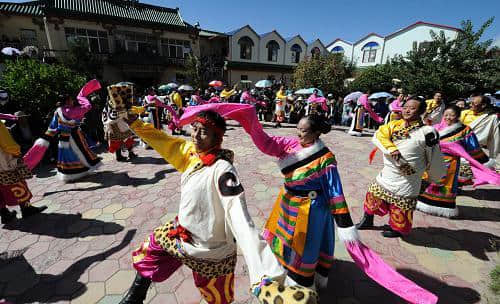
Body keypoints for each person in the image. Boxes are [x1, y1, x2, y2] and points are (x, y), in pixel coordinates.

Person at [196, 103, 439, 303]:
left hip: (311, 210)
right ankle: (279, 268)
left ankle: (301, 282)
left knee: (304, 245)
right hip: (288, 202)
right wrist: (250, 122)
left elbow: (335, 192)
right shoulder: (290, 145)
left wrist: (344, 223)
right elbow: (266, 143)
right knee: (282, 239)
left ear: (315, 134)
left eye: (303, 131)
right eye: (298, 129)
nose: (298, 134)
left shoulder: (326, 158)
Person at [117, 110, 317, 304]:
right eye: (194, 128)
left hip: (211, 250)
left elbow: (241, 220)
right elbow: (162, 140)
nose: (195, 135)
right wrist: (135, 123)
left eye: (203, 132)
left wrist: (265, 276)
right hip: (181, 234)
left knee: (218, 298)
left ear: (217, 138)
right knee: (151, 251)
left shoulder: (223, 170)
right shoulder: (190, 154)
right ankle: (134, 298)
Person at [357, 98, 446, 237]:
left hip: (409, 177)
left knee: (401, 204)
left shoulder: (428, 132)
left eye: (412, 108)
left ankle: (397, 228)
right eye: (405, 107)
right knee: (373, 193)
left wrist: (431, 177)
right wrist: (393, 150)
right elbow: (379, 136)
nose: (407, 110)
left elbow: (434, 157)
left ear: (421, 111)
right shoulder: (393, 125)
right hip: (389, 172)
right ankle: (367, 220)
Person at [417, 105, 498, 217]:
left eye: (452, 115)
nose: (448, 117)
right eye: (446, 115)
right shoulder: (436, 127)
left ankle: (444, 207)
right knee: (430, 181)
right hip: (433, 161)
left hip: (451, 163)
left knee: (446, 184)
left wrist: (483, 161)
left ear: (458, 116)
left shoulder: (464, 130)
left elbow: (473, 148)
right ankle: (424, 203)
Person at [24, 80, 102, 182]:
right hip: (74, 136)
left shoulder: (58, 111)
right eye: (71, 100)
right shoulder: (72, 111)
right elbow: (87, 107)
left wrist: (46, 137)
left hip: (63, 138)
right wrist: (81, 97)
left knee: (68, 156)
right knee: (79, 153)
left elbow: (52, 127)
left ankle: (73, 174)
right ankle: (79, 173)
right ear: (67, 101)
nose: (73, 101)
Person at [460, 94, 499, 169]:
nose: (470, 105)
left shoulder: (491, 118)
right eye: (470, 103)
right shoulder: (464, 113)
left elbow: (495, 137)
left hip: (475, 149)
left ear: (483, 105)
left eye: (473, 103)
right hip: (459, 146)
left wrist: (493, 156)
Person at [103, 83, 138, 162]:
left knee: (118, 140)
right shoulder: (114, 102)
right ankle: (127, 154)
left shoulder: (110, 101)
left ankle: (120, 156)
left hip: (112, 123)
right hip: (117, 123)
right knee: (126, 138)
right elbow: (119, 112)